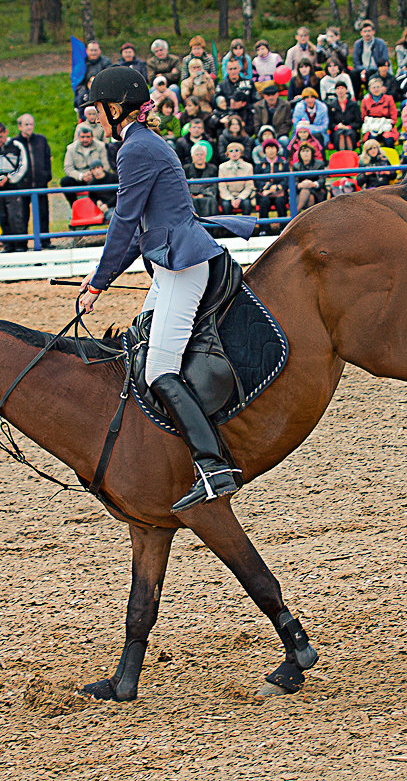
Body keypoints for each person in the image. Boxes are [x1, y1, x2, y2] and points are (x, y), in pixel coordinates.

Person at [78, 66, 257, 511]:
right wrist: (98, 278)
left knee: (158, 368)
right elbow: (136, 232)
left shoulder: (135, 149)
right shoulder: (139, 143)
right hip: (168, 262)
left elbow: (122, 222)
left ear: (115, 109)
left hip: (183, 265)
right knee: (139, 339)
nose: (95, 119)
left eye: (98, 111)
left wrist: (99, 285)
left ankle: (213, 466)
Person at [0, 122, 28, 252]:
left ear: (6, 133)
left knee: (15, 216)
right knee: (2, 216)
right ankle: (8, 244)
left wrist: (10, 178)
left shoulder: (16, 146)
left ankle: (20, 245)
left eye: (1, 137)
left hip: (13, 186)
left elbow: (23, 165)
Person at [13, 113, 52, 249]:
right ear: (20, 126)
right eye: (26, 125)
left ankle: (45, 241)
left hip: (40, 184)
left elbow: (47, 159)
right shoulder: (15, 143)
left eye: (31, 124)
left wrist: (47, 175)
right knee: (22, 215)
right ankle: (22, 243)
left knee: (43, 214)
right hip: (23, 185)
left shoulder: (41, 140)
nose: (29, 127)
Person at [253, 138, 289, 221]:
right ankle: (264, 229)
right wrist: (269, 187)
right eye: (268, 148)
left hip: (280, 193)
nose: (271, 151)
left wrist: (277, 187)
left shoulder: (284, 163)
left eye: (273, 148)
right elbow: (257, 181)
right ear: (264, 150)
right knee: (264, 201)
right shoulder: (259, 164)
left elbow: (286, 179)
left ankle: (283, 228)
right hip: (264, 193)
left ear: (277, 149)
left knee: (280, 201)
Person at [359, 76, 399, 147]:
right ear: (370, 89)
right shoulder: (365, 101)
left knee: (388, 139)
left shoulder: (389, 99)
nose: (376, 89)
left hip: (386, 125)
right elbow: (363, 116)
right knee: (371, 140)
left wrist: (389, 124)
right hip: (371, 125)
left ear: (382, 88)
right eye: (374, 87)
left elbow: (394, 115)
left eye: (378, 87)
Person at [183, 141, 219, 217]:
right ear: (193, 156)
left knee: (211, 201)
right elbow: (184, 186)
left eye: (202, 154)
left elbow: (214, 186)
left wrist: (202, 194)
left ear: (205, 155)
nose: (200, 156)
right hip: (191, 197)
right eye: (197, 154)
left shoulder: (213, 168)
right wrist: (193, 194)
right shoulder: (186, 169)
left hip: (207, 196)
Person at [329, 81, 363, 150]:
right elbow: (330, 123)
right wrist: (337, 127)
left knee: (348, 134)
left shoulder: (354, 104)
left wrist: (349, 127)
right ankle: (342, 156)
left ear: (346, 90)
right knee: (340, 134)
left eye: (342, 88)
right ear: (335, 91)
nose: (340, 90)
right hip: (337, 131)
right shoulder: (331, 105)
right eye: (338, 88)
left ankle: (350, 156)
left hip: (351, 130)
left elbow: (358, 122)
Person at [291, 142, 325, 211]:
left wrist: (313, 184)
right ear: (299, 154)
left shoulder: (320, 164)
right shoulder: (296, 166)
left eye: (307, 151)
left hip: (316, 191)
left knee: (310, 196)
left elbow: (322, 180)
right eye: (303, 151)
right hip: (301, 192)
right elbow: (294, 182)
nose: (305, 153)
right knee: (307, 194)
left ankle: (296, 212)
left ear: (311, 153)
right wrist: (300, 185)